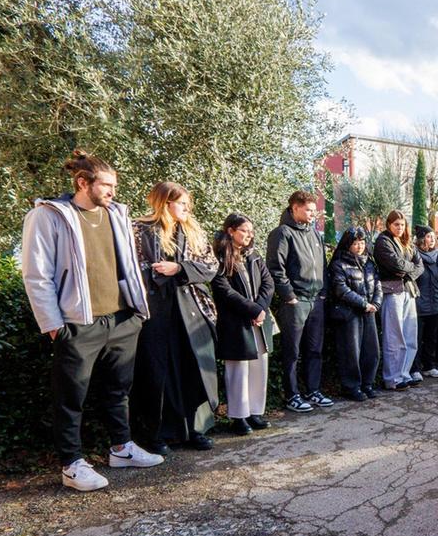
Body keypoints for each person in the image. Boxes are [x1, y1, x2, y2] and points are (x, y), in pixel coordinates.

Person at [20, 150, 161, 492]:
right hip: (78, 322)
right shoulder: (49, 216)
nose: (113, 191)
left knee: (119, 389)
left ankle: (121, 449)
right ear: (83, 183)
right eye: (107, 185)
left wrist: (137, 313)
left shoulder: (115, 214)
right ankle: (71, 465)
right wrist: (54, 325)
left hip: (122, 318)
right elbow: (36, 275)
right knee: (71, 397)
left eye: (114, 185)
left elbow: (127, 264)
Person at [132, 182, 220, 452]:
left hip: (191, 308)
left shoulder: (193, 230)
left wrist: (179, 268)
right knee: (158, 371)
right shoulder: (140, 229)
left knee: (192, 367)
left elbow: (211, 266)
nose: (186, 208)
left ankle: (196, 430)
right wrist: (159, 272)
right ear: (164, 202)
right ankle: (156, 434)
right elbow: (131, 266)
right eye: (181, 202)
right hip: (155, 310)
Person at [267, 190, 332, 413]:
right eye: (308, 210)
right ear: (295, 208)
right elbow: (276, 268)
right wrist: (290, 296)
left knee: (315, 349)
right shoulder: (282, 233)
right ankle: (292, 395)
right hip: (295, 302)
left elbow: (323, 267)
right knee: (292, 352)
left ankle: (313, 390)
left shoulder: (315, 234)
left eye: (315, 210)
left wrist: (323, 293)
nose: (313, 214)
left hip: (316, 301)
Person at [211, 213, 274, 435]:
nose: (249, 235)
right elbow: (223, 290)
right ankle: (239, 416)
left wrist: (261, 307)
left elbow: (268, 282)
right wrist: (253, 309)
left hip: (258, 319)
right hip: (236, 321)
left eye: (250, 231)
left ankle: (256, 412)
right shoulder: (220, 256)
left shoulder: (253, 255)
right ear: (231, 231)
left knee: (259, 366)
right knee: (238, 369)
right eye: (244, 231)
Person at [326, 227, 383, 401]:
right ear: (348, 244)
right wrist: (363, 304)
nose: (359, 246)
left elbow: (377, 284)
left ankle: (367, 384)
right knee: (351, 352)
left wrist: (375, 303)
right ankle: (351, 387)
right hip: (349, 314)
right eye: (355, 243)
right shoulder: (339, 264)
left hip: (369, 312)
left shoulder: (369, 263)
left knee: (372, 351)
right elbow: (340, 289)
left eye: (362, 242)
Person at [375, 210, 425, 389]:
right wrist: (409, 268)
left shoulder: (407, 242)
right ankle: (392, 378)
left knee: (410, 336)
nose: (400, 228)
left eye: (402, 225)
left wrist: (407, 269)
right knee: (394, 336)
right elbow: (396, 265)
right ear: (389, 224)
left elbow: (420, 267)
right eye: (396, 224)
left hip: (409, 290)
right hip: (391, 292)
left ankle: (404, 373)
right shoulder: (383, 241)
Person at [414, 226, 438, 379]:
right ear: (421, 239)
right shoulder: (415, 255)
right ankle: (414, 369)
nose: (432, 239)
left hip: (436, 302)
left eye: (433, 236)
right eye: (428, 236)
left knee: (431, 337)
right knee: (416, 338)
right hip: (419, 304)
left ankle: (429, 366)